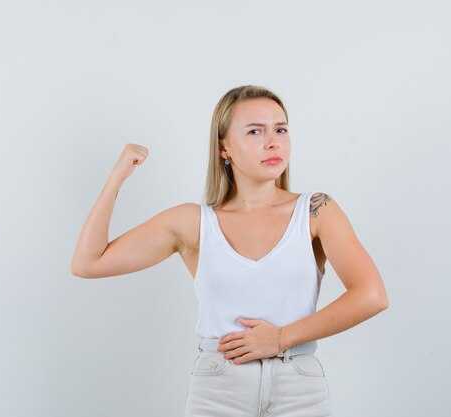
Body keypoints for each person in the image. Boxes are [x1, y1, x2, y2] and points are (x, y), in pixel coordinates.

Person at [70, 85, 389, 417]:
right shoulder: (193, 222)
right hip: (219, 388)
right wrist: (116, 179)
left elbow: (372, 295)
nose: (273, 141)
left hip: (299, 385)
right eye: (255, 131)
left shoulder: (316, 211)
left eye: (280, 129)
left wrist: (280, 338)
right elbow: (89, 263)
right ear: (224, 147)